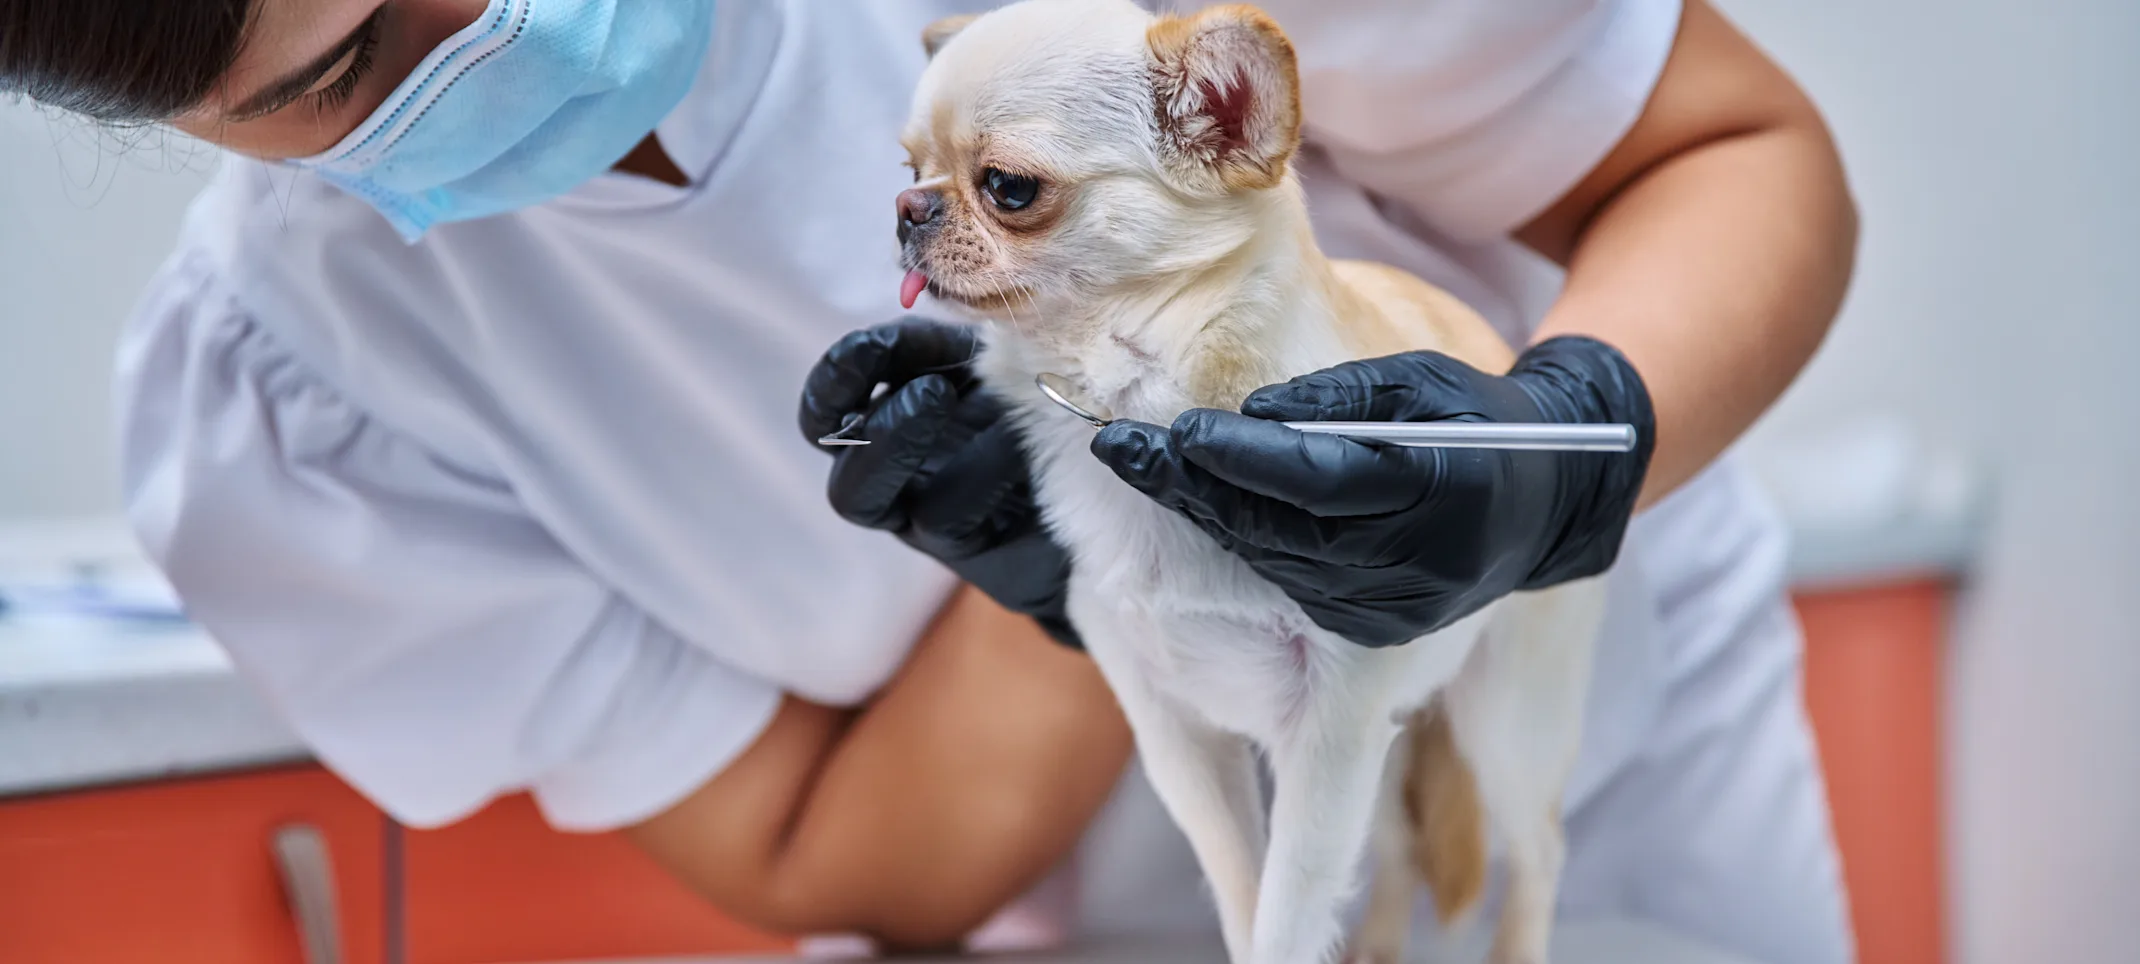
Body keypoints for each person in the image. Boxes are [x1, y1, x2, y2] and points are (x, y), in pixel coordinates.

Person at [0, 0, 1858, 960]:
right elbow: (836, 850)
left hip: (1619, 774)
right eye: (339, 69)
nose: (495, 24)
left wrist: (1560, 442)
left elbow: (1735, 149)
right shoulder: (297, 412)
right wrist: (1083, 576)